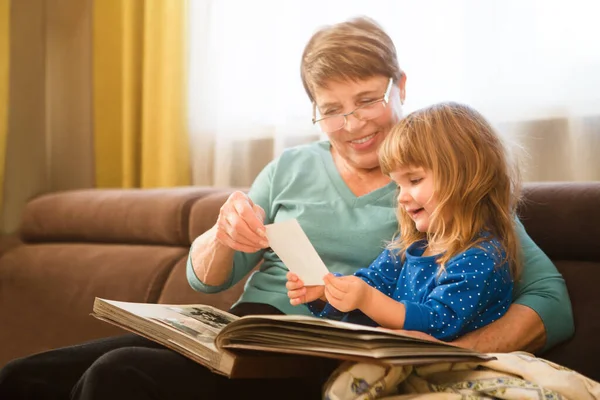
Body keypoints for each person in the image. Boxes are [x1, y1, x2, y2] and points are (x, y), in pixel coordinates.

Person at [0, 16, 573, 400]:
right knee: (25, 377)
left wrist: (444, 352)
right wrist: (223, 234)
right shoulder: (290, 168)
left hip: (309, 355)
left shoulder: (447, 189)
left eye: (368, 100)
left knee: (116, 378)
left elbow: (550, 301)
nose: (351, 124)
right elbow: (205, 281)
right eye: (331, 110)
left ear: (401, 85)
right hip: (241, 328)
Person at [287, 102, 521, 342]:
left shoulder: (480, 256)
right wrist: (328, 291)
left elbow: (438, 322)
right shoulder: (409, 246)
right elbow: (372, 285)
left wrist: (367, 298)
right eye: (398, 185)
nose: (401, 196)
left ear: (467, 177)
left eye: (415, 180)